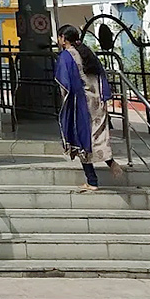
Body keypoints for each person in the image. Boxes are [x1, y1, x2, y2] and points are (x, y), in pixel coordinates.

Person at [55, 24, 124, 191]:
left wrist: (65, 103)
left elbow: (64, 83)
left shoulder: (66, 56)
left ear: (64, 39)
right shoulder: (87, 53)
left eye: (59, 37)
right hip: (97, 102)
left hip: (81, 104)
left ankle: (92, 180)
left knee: (82, 141)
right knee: (98, 138)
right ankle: (111, 162)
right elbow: (101, 76)